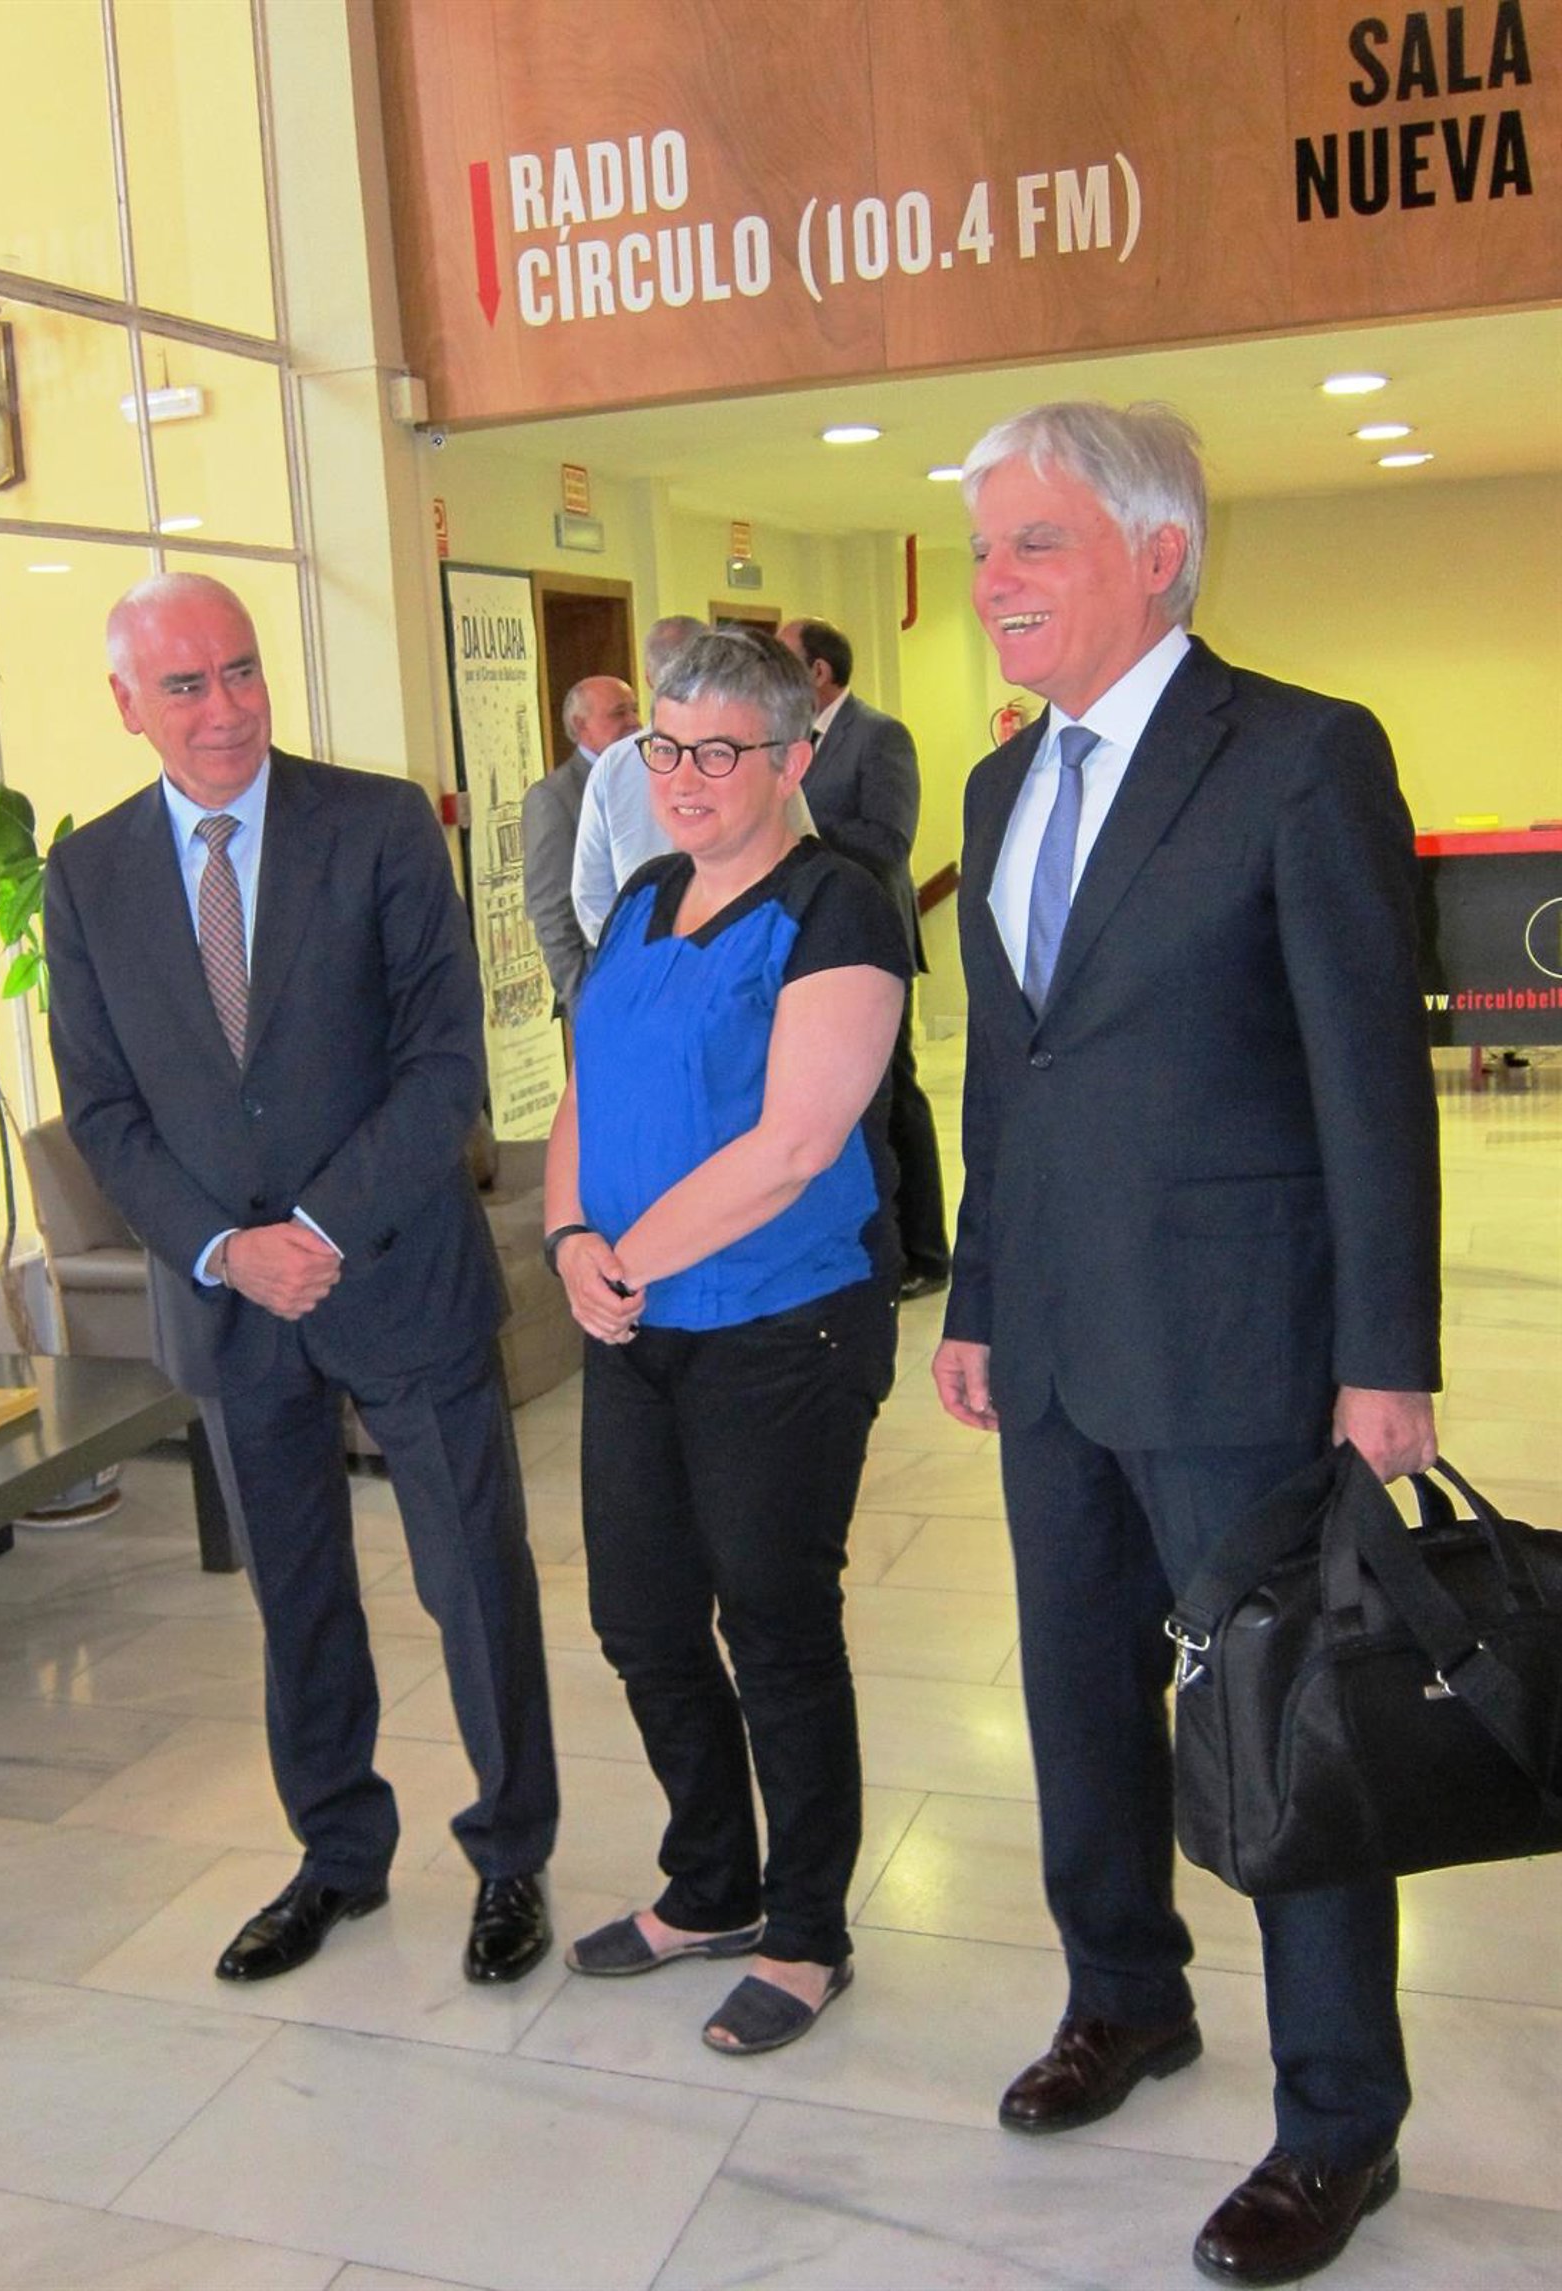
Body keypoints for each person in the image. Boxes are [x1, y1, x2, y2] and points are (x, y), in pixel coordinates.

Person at [931, 403, 1440, 2286]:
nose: (993, 581)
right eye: (982, 548)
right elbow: (1012, 1079)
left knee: (1283, 1725)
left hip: (1242, 1347)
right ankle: (1124, 1993)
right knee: (1081, 1699)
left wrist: (1385, 1354)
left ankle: (1341, 2117)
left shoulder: (1300, 755)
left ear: (1158, 553)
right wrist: (979, 1295)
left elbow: (1372, 1080)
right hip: (1057, 1344)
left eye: (1034, 543)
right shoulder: (998, 787)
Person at [46, 572, 559, 1990]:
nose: (226, 707)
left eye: (242, 669)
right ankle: (338, 1851)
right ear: (127, 704)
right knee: (297, 1591)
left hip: (396, 1272)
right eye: (186, 684)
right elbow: (104, 1110)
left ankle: (511, 1850)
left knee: (474, 1578)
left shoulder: (379, 823)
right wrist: (225, 1246)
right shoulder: (87, 875)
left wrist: (319, 1225)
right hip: (229, 1303)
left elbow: (446, 1059)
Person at [547, 627, 910, 2055]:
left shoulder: (838, 905)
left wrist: (623, 1256)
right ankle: (710, 1884)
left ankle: (807, 1930)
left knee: (775, 1624)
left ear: (792, 757)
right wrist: (569, 1238)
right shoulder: (644, 895)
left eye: (719, 751)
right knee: (641, 1618)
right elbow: (586, 1084)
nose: (684, 777)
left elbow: (798, 1141)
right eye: (666, 747)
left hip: (781, 1325)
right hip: (634, 1321)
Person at [782, 616, 950, 1298]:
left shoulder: (879, 735)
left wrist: (799, 830)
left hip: (873, 939)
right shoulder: (788, 738)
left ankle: (925, 1253)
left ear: (819, 672)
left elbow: (889, 840)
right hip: (813, 942)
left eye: (784, 661)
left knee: (893, 1093)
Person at [570, 616, 706, 945]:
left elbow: (591, 893)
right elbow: (799, 854)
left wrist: (628, 954)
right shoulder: (758, 750)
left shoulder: (613, 765)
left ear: (647, 677)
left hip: (641, 952)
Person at [523, 674, 638, 1009]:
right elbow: (551, 912)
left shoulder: (649, 778)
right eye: (619, 713)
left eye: (634, 709)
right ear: (580, 725)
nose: (634, 721)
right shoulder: (554, 798)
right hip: (604, 989)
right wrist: (582, 1005)